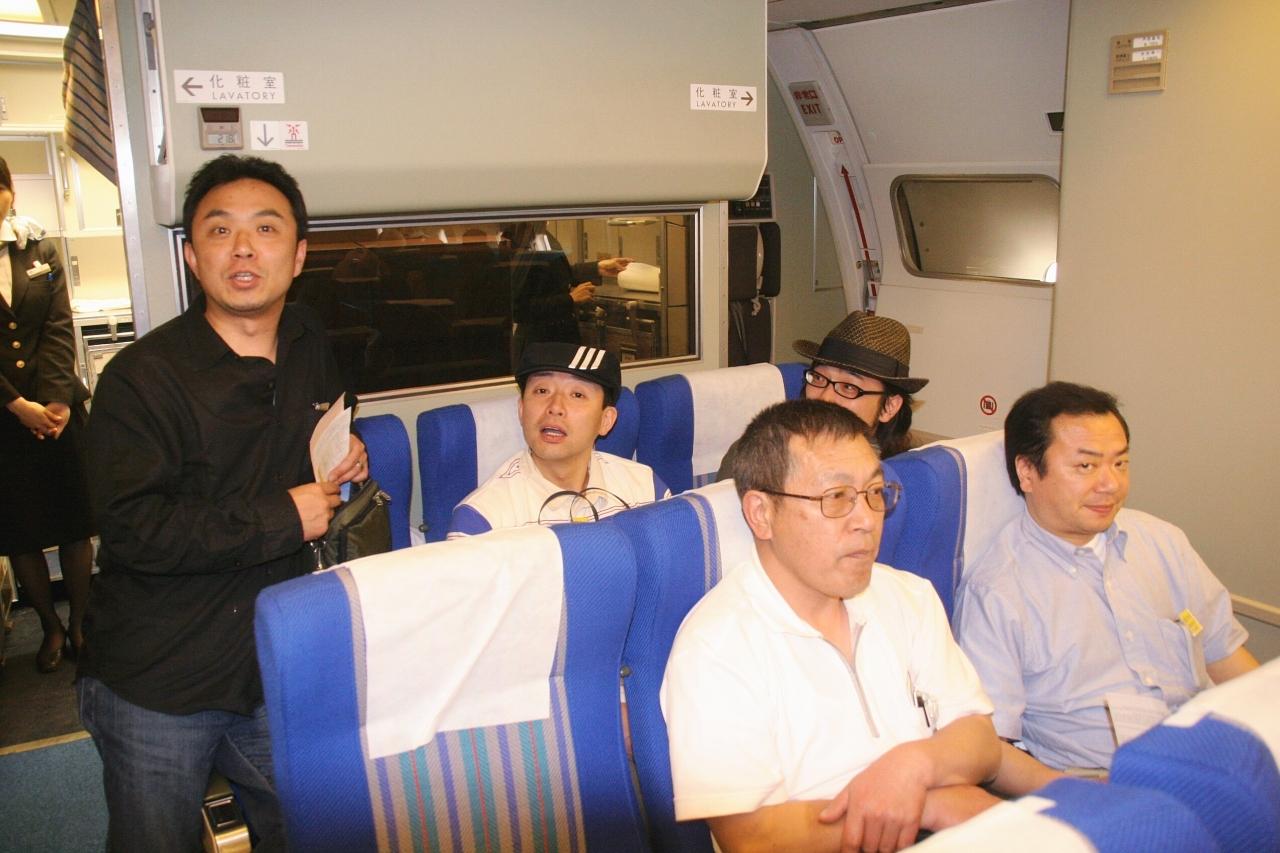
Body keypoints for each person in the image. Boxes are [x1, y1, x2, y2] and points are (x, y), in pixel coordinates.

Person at [78, 154, 368, 851]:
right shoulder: (140, 380)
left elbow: (314, 432)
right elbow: (133, 528)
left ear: (298, 254)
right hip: (161, 676)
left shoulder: (307, 339)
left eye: (265, 229)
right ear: (191, 255)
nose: (243, 248)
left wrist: (345, 455)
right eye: (219, 230)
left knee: (313, 830)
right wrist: (283, 516)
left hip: (274, 661)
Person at [662, 399, 1001, 852]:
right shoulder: (716, 646)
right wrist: (926, 806)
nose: (867, 521)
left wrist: (914, 766)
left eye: (875, 493)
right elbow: (751, 837)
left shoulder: (907, 597)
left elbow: (980, 739)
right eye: (836, 497)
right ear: (761, 514)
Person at [955, 381, 1258, 793]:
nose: (1110, 484)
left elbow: (1225, 657)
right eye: (1086, 466)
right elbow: (992, 747)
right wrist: (1085, 796)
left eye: (1120, 463)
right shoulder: (997, 592)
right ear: (1027, 472)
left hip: (1212, 756)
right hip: (1104, 785)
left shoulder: (1162, 542)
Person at [0, 156, 95, 674]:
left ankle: (79, 622)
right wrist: (16, 405)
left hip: (58, 411)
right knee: (21, 531)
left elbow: (59, 325)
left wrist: (57, 400)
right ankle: (49, 626)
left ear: (10, 191)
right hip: (4, 418)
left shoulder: (39, 248)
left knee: (75, 521)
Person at [449, 341, 668, 537]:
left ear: (606, 420)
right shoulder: (482, 521)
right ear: (522, 410)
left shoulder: (646, 489)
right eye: (542, 391)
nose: (555, 407)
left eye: (577, 395)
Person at [717, 310, 927, 480]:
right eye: (818, 378)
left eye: (849, 387)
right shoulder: (759, 457)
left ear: (889, 407)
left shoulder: (909, 475)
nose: (825, 398)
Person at [502, 220, 631, 366]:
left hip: (556, 343)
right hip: (541, 349)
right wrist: (570, 299)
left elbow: (553, 275)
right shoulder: (524, 239)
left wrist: (596, 268)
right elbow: (519, 309)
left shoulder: (541, 236)